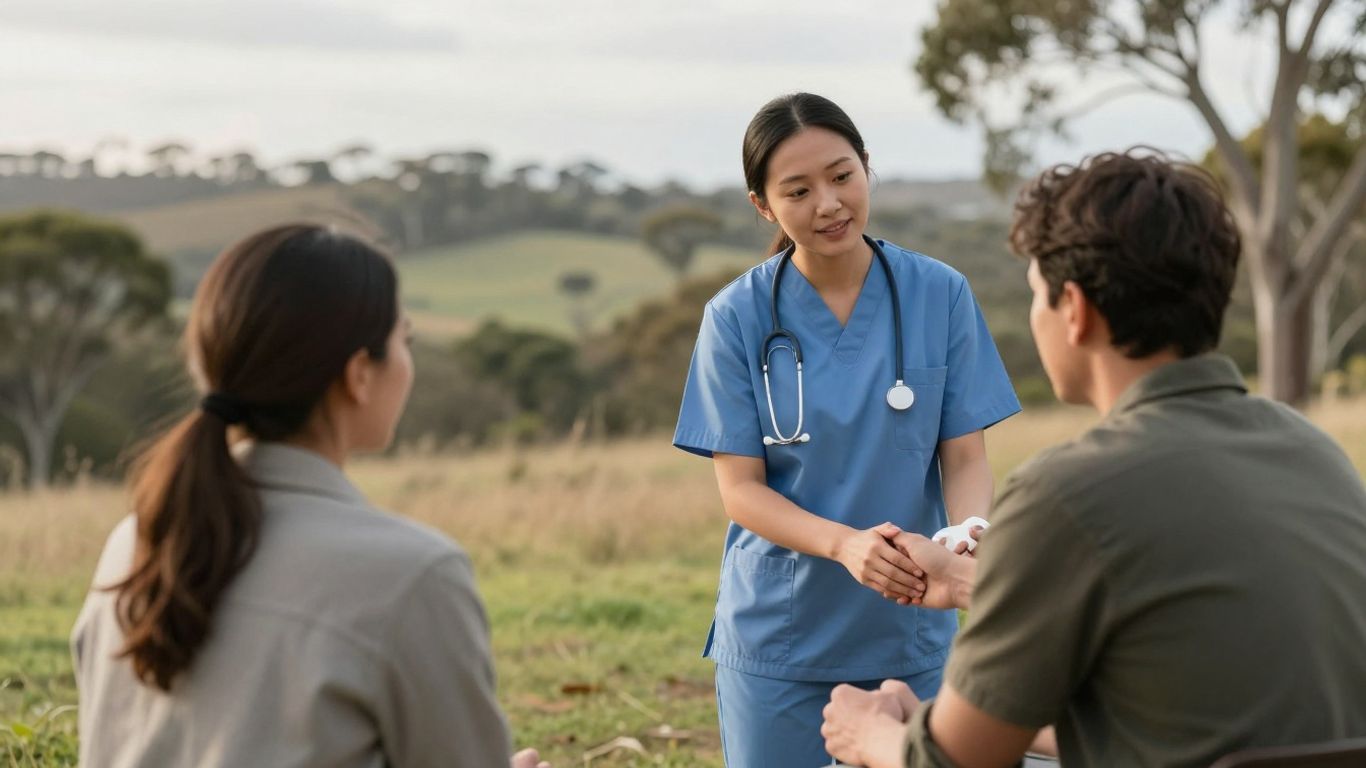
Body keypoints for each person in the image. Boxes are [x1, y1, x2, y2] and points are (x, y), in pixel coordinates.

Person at [821, 150, 1366, 768]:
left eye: (1036, 295)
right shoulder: (1315, 453)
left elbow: (953, 765)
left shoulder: (1064, 494)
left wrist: (868, 732)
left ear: (1075, 311)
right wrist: (957, 592)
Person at [71, 224, 550, 768]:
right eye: (404, 341)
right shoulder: (413, 574)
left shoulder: (137, 540)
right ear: (359, 375)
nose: (408, 360)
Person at [673, 92, 1021, 765]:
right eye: (798, 191)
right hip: (781, 641)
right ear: (763, 206)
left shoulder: (939, 293)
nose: (829, 204)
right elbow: (741, 491)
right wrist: (846, 546)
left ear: (867, 167)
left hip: (911, 633)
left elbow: (966, 460)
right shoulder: (735, 318)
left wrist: (968, 536)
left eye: (841, 177)